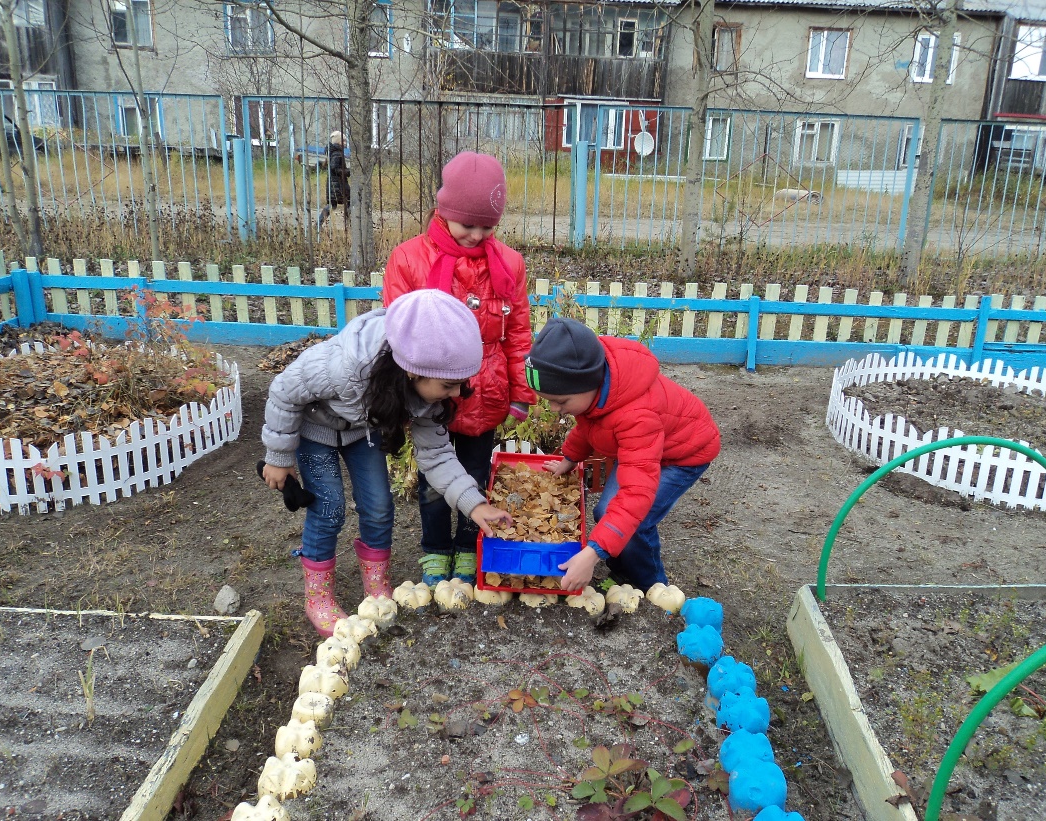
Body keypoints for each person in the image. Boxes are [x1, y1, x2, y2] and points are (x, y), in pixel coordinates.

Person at [261, 289, 514, 638]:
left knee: (379, 505)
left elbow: (438, 456)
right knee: (329, 506)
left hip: (360, 431)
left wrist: (475, 506)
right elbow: (283, 391)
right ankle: (318, 597)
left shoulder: (422, 396)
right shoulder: (342, 366)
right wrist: (278, 457)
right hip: (314, 427)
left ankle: (376, 586)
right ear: (412, 372)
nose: (457, 394)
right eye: (448, 385)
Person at [382, 151, 535, 587]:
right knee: (434, 472)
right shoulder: (410, 259)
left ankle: (469, 546)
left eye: (487, 226)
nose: (476, 234)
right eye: (468, 224)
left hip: (486, 391)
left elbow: (518, 332)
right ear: (444, 211)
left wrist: (521, 392)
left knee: (476, 470)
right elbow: (398, 329)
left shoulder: (508, 263)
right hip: (431, 388)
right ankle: (435, 548)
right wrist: (404, 392)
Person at [524, 317, 721, 594]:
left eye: (561, 401)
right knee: (606, 512)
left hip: (683, 454)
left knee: (637, 520)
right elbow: (589, 426)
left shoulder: (635, 417)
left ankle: (651, 585)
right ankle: (622, 561)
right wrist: (568, 459)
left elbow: (636, 494)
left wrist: (592, 554)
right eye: (548, 400)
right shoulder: (595, 390)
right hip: (645, 450)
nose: (554, 409)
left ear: (588, 383)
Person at [317, 130, 349, 230]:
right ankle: (349, 224)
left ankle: (318, 225)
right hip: (338, 184)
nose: (345, 143)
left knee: (332, 205)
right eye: (343, 141)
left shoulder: (333, 152)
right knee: (350, 201)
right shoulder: (337, 153)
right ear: (338, 142)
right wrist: (347, 172)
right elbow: (334, 168)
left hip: (333, 183)